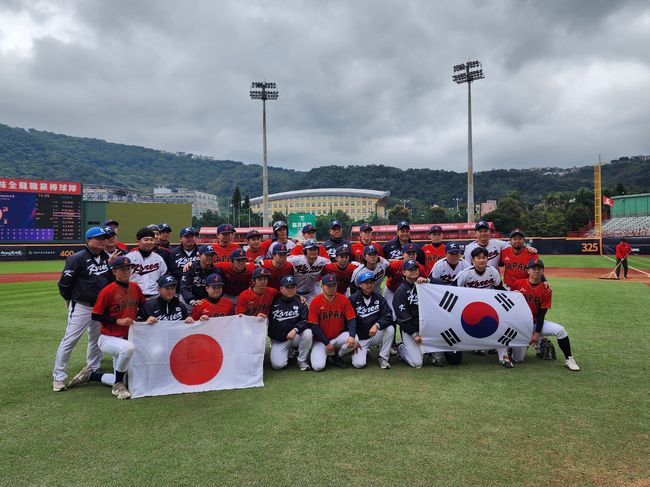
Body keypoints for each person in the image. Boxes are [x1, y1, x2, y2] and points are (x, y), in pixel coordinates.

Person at [52, 227, 112, 392]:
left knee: (96, 339)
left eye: (104, 238)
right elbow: (64, 283)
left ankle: (93, 368)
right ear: (88, 240)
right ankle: (59, 377)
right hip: (82, 306)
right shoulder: (77, 258)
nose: (102, 240)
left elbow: (110, 281)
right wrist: (68, 299)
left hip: (100, 307)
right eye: (98, 238)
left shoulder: (107, 258)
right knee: (70, 340)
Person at [87, 256, 147, 400]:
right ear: (114, 271)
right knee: (128, 349)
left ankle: (92, 375)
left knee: (128, 379)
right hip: (108, 338)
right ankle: (118, 385)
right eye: (122, 269)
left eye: (128, 268)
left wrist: (145, 317)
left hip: (127, 337)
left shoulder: (135, 287)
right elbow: (95, 315)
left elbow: (143, 306)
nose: (126, 272)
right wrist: (117, 321)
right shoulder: (108, 291)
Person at [510, 260, 580, 371]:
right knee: (518, 359)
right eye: (533, 268)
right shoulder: (518, 284)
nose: (536, 271)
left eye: (539, 269)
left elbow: (542, 314)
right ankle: (513, 347)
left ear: (543, 271)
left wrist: (536, 334)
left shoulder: (546, 289)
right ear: (528, 271)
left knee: (560, 330)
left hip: (536, 323)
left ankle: (569, 359)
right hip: (521, 325)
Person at [455, 247, 512, 368]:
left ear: (488, 259)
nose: (481, 260)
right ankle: (476, 347)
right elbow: (453, 290)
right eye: (478, 258)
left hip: (488, 306)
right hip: (469, 307)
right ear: (473, 260)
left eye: (484, 258)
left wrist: (512, 295)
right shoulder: (465, 273)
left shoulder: (493, 271)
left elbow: (499, 289)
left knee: (500, 325)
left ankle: (503, 355)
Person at [308, 274, 357, 371]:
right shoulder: (315, 302)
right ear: (322, 286)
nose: (332, 288)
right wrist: (326, 343)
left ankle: (337, 355)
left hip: (337, 337)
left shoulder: (343, 299)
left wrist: (351, 335)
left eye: (334, 285)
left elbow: (351, 319)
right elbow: (314, 326)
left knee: (355, 339)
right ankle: (324, 354)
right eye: (329, 285)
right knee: (318, 367)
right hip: (321, 341)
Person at [348, 272, 394, 369]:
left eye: (371, 282)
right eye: (366, 283)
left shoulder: (379, 298)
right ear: (360, 285)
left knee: (390, 329)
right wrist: (354, 339)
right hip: (360, 338)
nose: (369, 285)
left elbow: (388, 315)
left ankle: (383, 357)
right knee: (359, 364)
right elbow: (348, 321)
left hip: (374, 334)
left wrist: (377, 325)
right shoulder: (352, 299)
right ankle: (366, 351)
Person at [268, 275, 313, 371]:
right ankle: (289, 351)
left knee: (308, 333)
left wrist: (295, 329)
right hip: (279, 339)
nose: (290, 290)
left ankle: (301, 360)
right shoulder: (273, 300)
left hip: (295, 336)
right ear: (281, 288)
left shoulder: (301, 301)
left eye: (293, 287)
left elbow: (306, 320)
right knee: (278, 365)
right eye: (287, 287)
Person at [464, 220, 536, 270]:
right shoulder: (469, 248)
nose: (483, 233)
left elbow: (515, 244)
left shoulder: (499, 244)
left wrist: (526, 247)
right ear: (475, 233)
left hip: (494, 280)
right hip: (476, 281)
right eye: (480, 231)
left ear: (489, 232)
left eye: (485, 231)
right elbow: (467, 267)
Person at [392, 260, 424, 369]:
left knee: (438, 356)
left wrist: (428, 280)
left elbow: (442, 285)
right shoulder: (401, 291)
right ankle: (401, 348)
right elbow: (402, 319)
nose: (414, 271)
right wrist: (414, 335)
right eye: (410, 270)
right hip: (410, 330)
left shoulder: (425, 284)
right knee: (417, 363)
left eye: (415, 269)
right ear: (404, 272)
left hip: (427, 328)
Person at [384, 243, 426, 317]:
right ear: (403, 254)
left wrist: (424, 280)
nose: (411, 255)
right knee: (391, 315)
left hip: (408, 293)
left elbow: (426, 283)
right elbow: (383, 274)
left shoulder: (420, 268)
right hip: (392, 291)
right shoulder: (395, 265)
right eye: (409, 253)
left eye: (413, 253)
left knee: (407, 313)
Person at [128, 227, 168, 298]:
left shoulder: (158, 259)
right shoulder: (129, 258)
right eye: (146, 240)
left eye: (151, 240)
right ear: (138, 241)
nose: (149, 242)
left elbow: (164, 277)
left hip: (155, 296)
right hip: (134, 296)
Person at [287, 238, 330, 304]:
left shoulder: (322, 261)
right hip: (295, 292)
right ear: (305, 251)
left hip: (312, 293)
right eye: (310, 249)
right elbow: (283, 261)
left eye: (315, 249)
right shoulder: (296, 260)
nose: (313, 252)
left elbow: (333, 266)